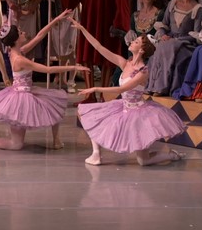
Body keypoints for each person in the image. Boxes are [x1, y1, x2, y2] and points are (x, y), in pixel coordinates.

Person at [0, 11, 87, 151]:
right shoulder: (20, 60)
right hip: (20, 98)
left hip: (27, 91)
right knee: (16, 144)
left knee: (52, 103)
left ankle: (56, 140)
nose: (24, 33)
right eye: (20, 33)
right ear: (15, 40)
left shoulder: (17, 51)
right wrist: (73, 67)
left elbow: (40, 35)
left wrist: (56, 19)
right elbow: (48, 69)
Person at [71, 21, 186, 166]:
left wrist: (96, 89)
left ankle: (172, 155)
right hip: (123, 107)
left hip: (138, 114)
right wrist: (82, 29)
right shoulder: (125, 63)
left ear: (142, 50)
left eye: (136, 42)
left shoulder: (143, 72)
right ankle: (96, 154)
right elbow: (99, 47)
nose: (131, 42)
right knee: (93, 116)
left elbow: (121, 89)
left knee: (143, 161)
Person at [145, 0, 202, 96]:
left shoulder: (198, 9)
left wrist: (177, 40)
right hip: (169, 41)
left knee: (172, 50)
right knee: (160, 50)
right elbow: (164, 24)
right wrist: (163, 35)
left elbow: (196, 35)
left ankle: (162, 88)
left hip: (186, 45)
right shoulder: (173, 3)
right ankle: (153, 86)